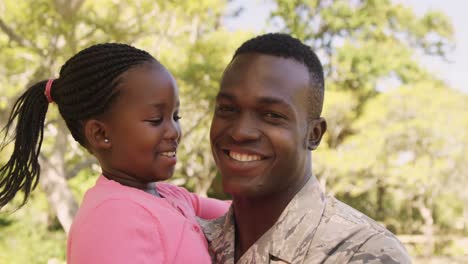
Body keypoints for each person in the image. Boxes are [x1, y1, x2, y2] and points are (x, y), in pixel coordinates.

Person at [0, 43, 229, 263]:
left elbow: (247, 212)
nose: (174, 132)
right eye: (156, 120)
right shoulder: (111, 219)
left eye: (175, 117)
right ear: (100, 134)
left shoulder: (171, 197)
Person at [199, 33, 412, 264]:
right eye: (228, 109)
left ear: (314, 134)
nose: (240, 132)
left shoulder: (364, 253)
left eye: (272, 115)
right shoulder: (193, 238)